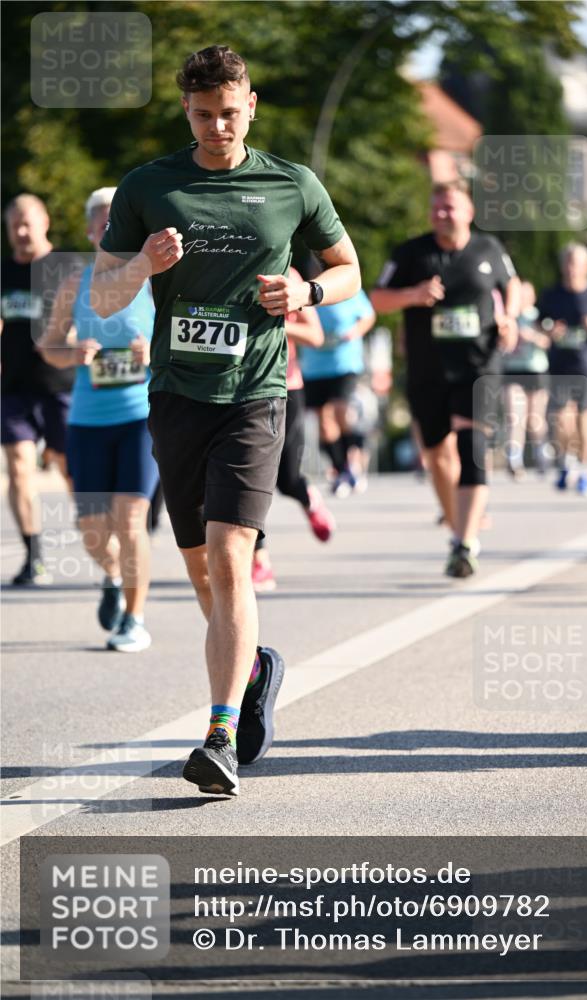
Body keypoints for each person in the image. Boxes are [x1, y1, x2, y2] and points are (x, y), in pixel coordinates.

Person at [89, 45, 360, 796]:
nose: (217, 126)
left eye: (230, 113)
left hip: (255, 392)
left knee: (231, 556)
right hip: (177, 396)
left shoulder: (290, 184)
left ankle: (217, 735)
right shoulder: (149, 186)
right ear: (186, 109)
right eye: (204, 114)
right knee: (202, 570)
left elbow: (349, 271)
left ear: (251, 104)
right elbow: (104, 297)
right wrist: (142, 262)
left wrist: (303, 293)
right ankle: (253, 668)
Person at [371, 178, 520, 578]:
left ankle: (464, 543)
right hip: (427, 369)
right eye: (437, 208)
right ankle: (459, 529)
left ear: (469, 211)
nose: (443, 214)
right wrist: (412, 296)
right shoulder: (411, 253)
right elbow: (375, 298)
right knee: (437, 454)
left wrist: (509, 318)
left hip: (478, 366)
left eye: (451, 207)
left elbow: (513, 287)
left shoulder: (489, 249)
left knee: (471, 445)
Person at [38, 187, 158, 651]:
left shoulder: (155, 282)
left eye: (121, 224)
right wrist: (72, 354)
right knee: (91, 530)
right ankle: (111, 577)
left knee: (130, 522)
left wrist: (153, 352)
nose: (113, 231)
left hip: (139, 417)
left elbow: (184, 342)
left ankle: (134, 617)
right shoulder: (75, 284)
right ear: (91, 231)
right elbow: (48, 345)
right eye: (105, 224)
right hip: (87, 420)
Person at [1, 194, 75, 585]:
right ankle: (34, 557)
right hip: (13, 388)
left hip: (60, 387)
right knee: (18, 468)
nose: (22, 232)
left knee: (69, 471)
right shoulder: (4, 272)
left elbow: (92, 317)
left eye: (28, 223)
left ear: (45, 221)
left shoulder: (66, 268)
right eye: (15, 225)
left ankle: (100, 544)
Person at [252, 267, 336, 593]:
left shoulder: (287, 273)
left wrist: (275, 326)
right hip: (237, 391)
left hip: (285, 386)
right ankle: (259, 560)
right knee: (246, 483)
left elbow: (315, 336)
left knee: (286, 478)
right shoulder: (218, 260)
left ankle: (308, 497)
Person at [538, 243, 587, 496]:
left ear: (585, 267)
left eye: (577, 263)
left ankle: (584, 470)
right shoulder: (552, 295)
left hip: (585, 364)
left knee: (585, 417)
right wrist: (550, 329)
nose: (572, 268)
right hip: (559, 364)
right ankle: (566, 461)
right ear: (563, 266)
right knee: (560, 418)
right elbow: (539, 323)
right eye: (568, 263)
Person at [300, 287, 376, 497]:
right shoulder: (305, 289)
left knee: (341, 411)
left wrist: (355, 331)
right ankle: (342, 468)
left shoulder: (349, 287)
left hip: (344, 362)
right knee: (324, 422)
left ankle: (356, 453)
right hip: (314, 366)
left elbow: (368, 316)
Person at [501, 281, 550, 478]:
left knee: (534, 419)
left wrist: (531, 336)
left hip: (535, 369)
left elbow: (548, 340)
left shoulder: (538, 316)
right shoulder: (509, 317)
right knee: (514, 416)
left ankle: (542, 454)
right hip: (513, 370)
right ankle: (514, 458)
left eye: (525, 295)